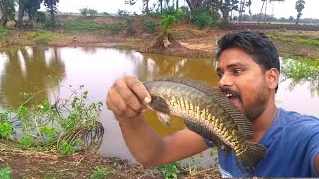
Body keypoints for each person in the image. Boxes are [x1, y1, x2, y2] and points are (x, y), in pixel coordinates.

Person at [106, 31, 319, 177]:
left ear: (271, 78)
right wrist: (127, 116)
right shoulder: (218, 128)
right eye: (220, 73)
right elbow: (155, 155)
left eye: (236, 71)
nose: (223, 81)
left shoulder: (305, 135)